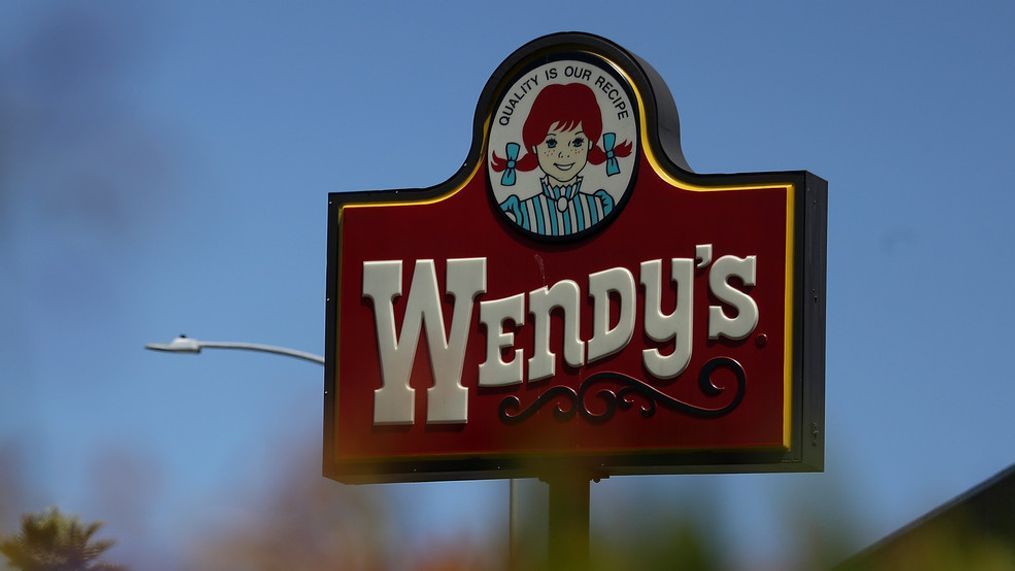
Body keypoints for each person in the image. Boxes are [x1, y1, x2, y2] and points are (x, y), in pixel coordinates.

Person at [491, 82, 632, 237]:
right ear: (534, 146)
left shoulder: (600, 205)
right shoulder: (520, 211)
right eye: (551, 143)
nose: (564, 154)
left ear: (590, 143)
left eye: (577, 142)